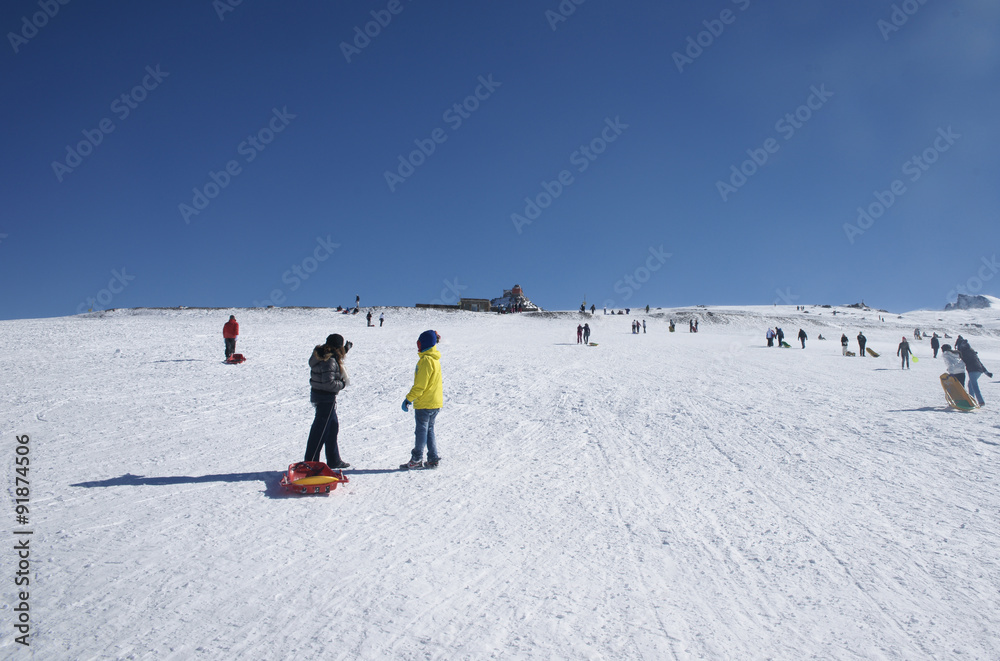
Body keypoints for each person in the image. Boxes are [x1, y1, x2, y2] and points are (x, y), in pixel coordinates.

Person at [305, 334, 351, 469]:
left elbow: (336, 358)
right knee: (320, 431)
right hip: (326, 398)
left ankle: (334, 460)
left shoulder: (322, 354)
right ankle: (311, 462)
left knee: (332, 428)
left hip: (320, 396)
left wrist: (347, 349)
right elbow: (328, 383)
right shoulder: (330, 360)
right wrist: (342, 384)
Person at [401, 330, 443, 469]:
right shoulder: (435, 360)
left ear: (424, 344)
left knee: (421, 431)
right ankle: (432, 459)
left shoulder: (425, 361)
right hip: (435, 403)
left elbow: (420, 386)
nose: (417, 346)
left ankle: (417, 459)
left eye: (419, 343)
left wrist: (408, 399)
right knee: (429, 430)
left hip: (425, 403)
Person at [956, 337, 993, 406]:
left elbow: (961, 362)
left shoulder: (964, 353)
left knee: (974, 385)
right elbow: (979, 363)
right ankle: (971, 399)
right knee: (970, 385)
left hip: (972, 370)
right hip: (978, 371)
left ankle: (980, 401)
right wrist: (986, 372)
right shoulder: (972, 352)